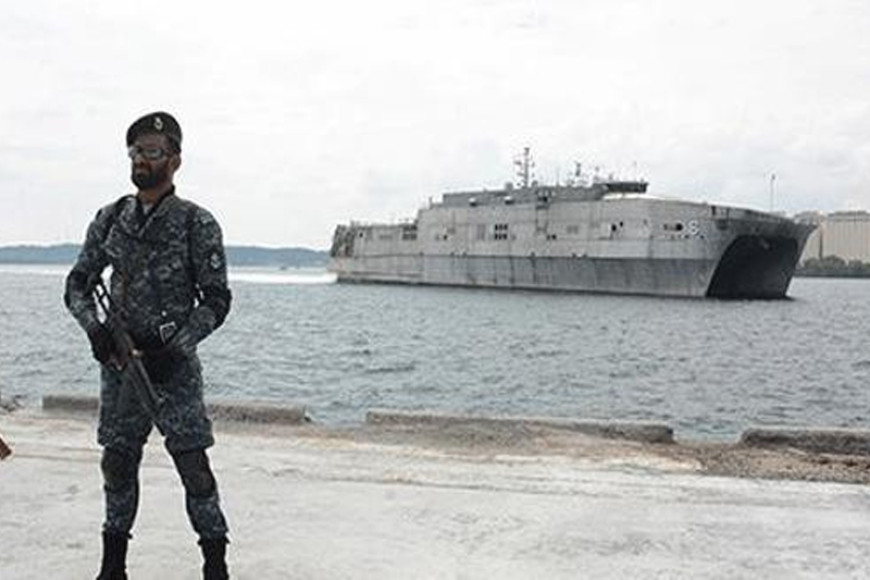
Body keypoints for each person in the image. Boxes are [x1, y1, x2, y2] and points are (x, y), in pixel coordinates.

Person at [65, 112, 233, 580]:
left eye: (152, 151)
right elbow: (78, 283)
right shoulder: (111, 217)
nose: (141, 159)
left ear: (174, 161)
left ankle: (215, 566)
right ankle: (112, 568)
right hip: (120, 367)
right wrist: (94, 330)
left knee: (194, 469)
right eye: (135, 151)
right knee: (116, 464)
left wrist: (176, 349)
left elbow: (217, 301)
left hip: (171, 369)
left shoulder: (196, 223)